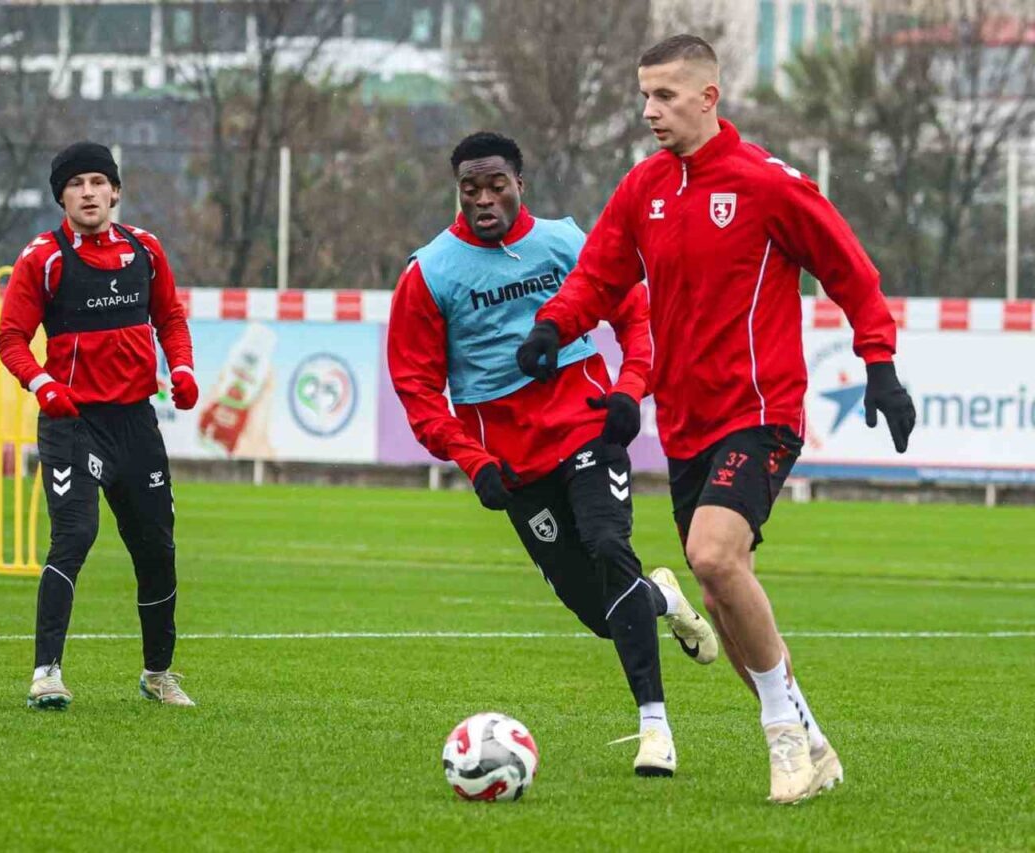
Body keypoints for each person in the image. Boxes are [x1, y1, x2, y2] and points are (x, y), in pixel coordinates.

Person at [517, 35, 917, 803]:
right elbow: (597, 277)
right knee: (721, 595)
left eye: (665, 96)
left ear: (709, 97)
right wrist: (551, 328)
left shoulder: (766, 184)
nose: (649, 111)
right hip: (685, 423)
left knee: (711, 555)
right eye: (644, 95)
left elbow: (849, 268)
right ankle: (815, 742)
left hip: (761, 410)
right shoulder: (644, 188)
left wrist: (880, 362)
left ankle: (783, 738)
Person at [388, 131, 719, 778]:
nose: (484, 199)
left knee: (608, 545)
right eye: (470, 189)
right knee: (601, 613)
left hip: (588, 429)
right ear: (458, 192)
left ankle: (655, 729)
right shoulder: (430, 273)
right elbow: (417, 388)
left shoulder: (566, 243)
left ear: (520, 184)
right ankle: (662, 599)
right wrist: (473, 460)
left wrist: (629, 389)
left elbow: (637, 316)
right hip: (514, 465)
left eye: (496, 186)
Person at [0, 142, 199, 710]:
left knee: (156, 549)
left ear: (115, 191)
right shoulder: (44, 258)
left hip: (136, 424)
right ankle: (46, 674)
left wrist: (182, 369)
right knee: (74, 537)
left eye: (97, 182)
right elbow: (11, 339)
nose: (88, 192)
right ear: (61, 197)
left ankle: (158, 674)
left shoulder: (145, 250)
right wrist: (44, 385)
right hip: (73, 424)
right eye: (75, 184)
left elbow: (170, 317)